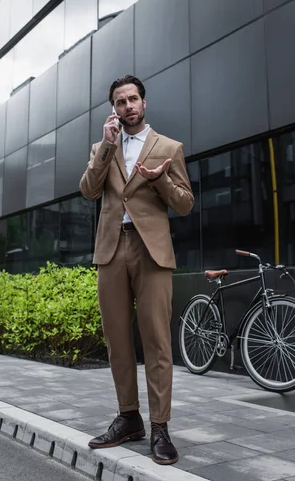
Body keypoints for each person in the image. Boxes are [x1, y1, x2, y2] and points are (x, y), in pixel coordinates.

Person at [79, 75, 194, 465]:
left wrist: (160, 180)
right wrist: (106, 148)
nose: (127, 106)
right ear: (114, 109)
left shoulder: (169, 147)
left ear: (144, 103)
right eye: (120, 101)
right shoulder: (103, 147)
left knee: (157, 341)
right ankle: (129, 417)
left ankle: (160, 426)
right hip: (111, 249)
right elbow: (89, 190)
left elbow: (185, 204)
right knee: (117, 341)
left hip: (151, 250)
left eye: (133, 99)